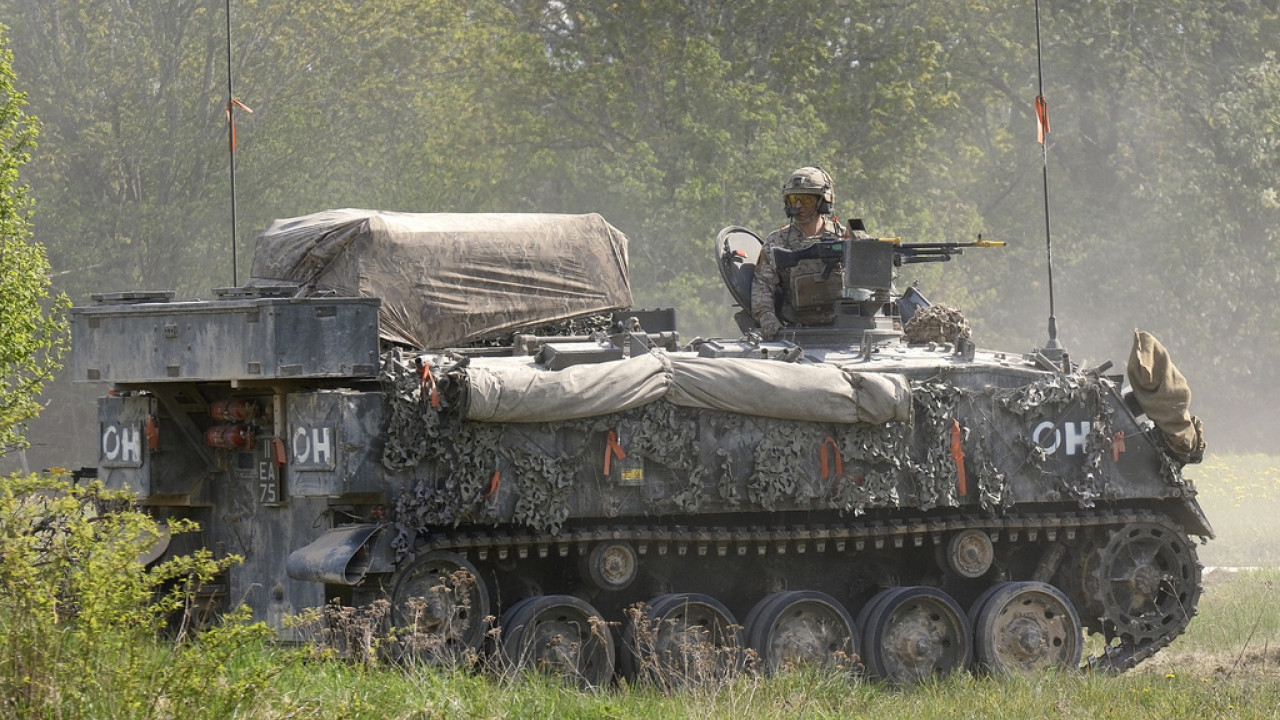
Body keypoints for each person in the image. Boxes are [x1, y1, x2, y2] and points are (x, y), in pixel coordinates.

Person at [750, 166, 856, 340]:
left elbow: (871, 281)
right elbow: (762, 284)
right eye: (793, 199)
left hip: (844, 331)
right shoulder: (777, 241)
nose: (798, 205)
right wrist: (766, 317)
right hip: (796, 332)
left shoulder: (845, 238)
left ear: (823, 201)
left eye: (806, 199)